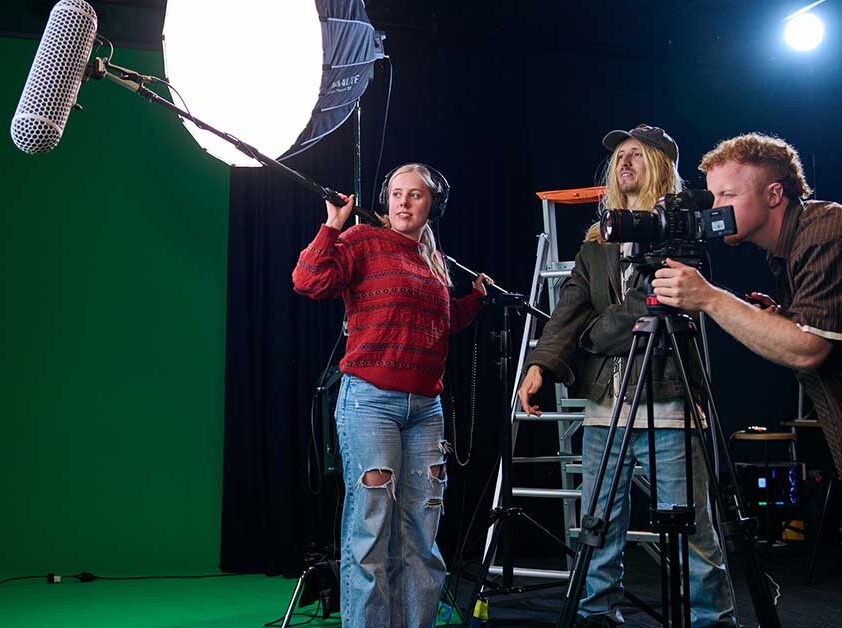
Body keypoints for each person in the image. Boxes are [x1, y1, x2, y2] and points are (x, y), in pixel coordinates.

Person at [518, 125, 736, 627]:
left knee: (695, 531)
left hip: (670, 406)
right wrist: (539, 366)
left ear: (659, 165)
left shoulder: (682, 229)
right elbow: (567, 312)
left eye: (636, 154)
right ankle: (596, 617)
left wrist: (592, 338)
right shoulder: (597, 244)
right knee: (597, 527)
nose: (624, 163)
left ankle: (712, 621)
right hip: (604, 411)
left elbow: (650, 304)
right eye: (619, 156)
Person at [292, 163, 491, 628]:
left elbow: (437, 326)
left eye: (415, 195)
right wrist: (332, 226)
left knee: (422, 531)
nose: (403, 202)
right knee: (372, 526)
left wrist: (475, 298)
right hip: (370, 402)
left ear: (432, 205)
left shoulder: (432, 258)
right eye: (397, 193)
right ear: (386, 201)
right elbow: (308, 280)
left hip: (427, 409)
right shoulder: (363, 241)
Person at [652, 132, 842, 481]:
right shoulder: (785, 250)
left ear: (773, 194)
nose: (716, 208)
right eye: (713, 196)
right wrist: (784, 318)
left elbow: (807, 350)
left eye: (729, 194)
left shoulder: (825, 229)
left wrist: (708, 297)